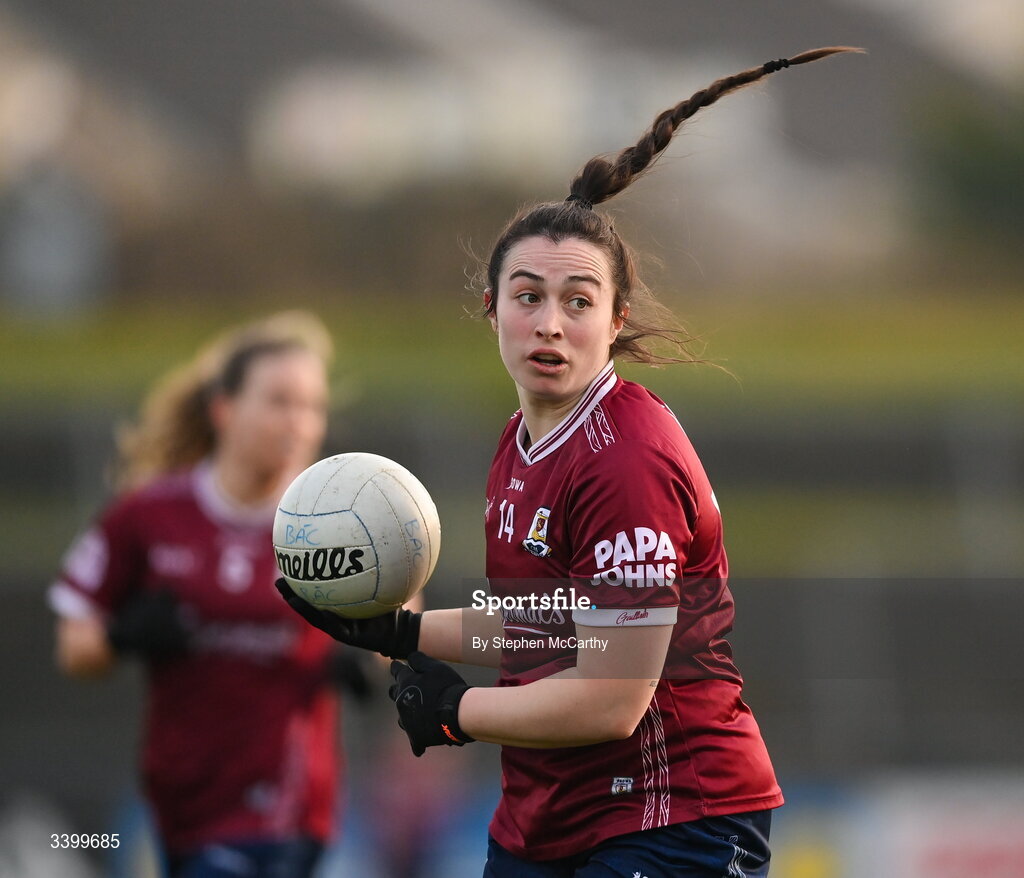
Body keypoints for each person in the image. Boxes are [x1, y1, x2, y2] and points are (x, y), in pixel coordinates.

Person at [277, 47, 864, 877]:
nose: (551, 322)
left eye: (578, 301)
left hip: (672, 821)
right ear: (492, 311)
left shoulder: (627, 456)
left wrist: (457, 713)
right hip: (544, 821)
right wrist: (404, 631)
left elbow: (613, 697)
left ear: (616, 318)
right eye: (528, 296)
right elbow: (558, 618)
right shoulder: (520, 445)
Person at [50, 311, 364, 878]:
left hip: (293, 804)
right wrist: (121, 638)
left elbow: (401, 622)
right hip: (184, 798)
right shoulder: (148, 516)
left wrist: (373, 656)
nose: (299, 421)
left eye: (312, 406)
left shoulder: (338, 520)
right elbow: (75, 643)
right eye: (279, 401)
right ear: (224, 409)